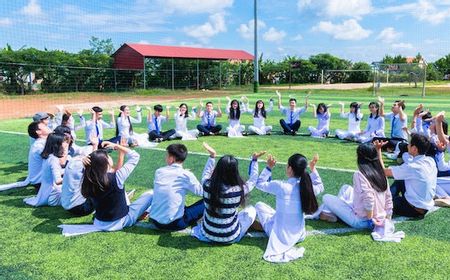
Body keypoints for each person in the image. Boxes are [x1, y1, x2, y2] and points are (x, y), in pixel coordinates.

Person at [59, 141, 153, 236]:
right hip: (121, 221)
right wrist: (117, 146)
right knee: (150, 194)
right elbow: (135, 156)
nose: (109, 156)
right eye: (107, 156)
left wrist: (82, 160)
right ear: (105, 162)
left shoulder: (88, 179)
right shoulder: (117, 177)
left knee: (119, 189)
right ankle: (153, 216)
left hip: (99, 222)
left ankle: (134, 210)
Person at [253, 153, 323, 263]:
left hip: (280, 236)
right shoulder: (307, 188)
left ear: (290, 168)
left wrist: (269, 167)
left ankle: (262, 226)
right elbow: (320, 186)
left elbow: (259, 183)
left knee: (259, 205)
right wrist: (313, 168)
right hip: (300, 235)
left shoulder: (281, 186)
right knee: (275, 213)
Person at [191, 143, 264, 244]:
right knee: (251, 210)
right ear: (235, 172)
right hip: (230, 236)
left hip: (207, 234)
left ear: (218, 169)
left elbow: (206, 173)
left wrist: (212, 156)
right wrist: (254, 160)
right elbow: (253, 180)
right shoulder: (239, 189)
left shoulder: (207, 185)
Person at [321, 143, 393, 230]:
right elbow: (388, 197)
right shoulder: (381, 172)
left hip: (362, 221)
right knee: (346, 188)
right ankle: (334, 213)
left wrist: (370, 221)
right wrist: (388, 219)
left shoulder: (359, 174)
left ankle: (331, 213)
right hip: (379, 217)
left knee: (326, 197)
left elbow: (369, 198)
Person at [374, 134, 436, 218]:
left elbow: (383, 172)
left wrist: (378, 150)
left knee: (382, 203)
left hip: (413, 209)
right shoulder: (430, 161)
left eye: (410, 144)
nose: (407, 146)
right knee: (400, 180)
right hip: (425, 206)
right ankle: (388, 197)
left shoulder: (412, 167)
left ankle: (385, 199)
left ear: (414, 149)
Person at [149, 144, 205, 230]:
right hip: (175, 224)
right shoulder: (186, 175)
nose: (165, 158)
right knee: (209, 200)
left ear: (172, 158)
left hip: (154, 221)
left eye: (167, 155)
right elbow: (202, 192)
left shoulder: (159, 171)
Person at [0, 121, 51, 192]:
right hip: (41, 182)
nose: (48, 127)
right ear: (38, 132)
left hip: (40, 180)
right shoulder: (39, 146)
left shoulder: (42, 143)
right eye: (45, 126)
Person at [24, 133, 72, 207]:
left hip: (48, 193)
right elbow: (58, 181)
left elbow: (54, 173)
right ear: (57, 144)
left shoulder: (49, 156)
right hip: (54, 196)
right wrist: (71, 176)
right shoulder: (54, 160)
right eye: (64, 142)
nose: (66, 144)